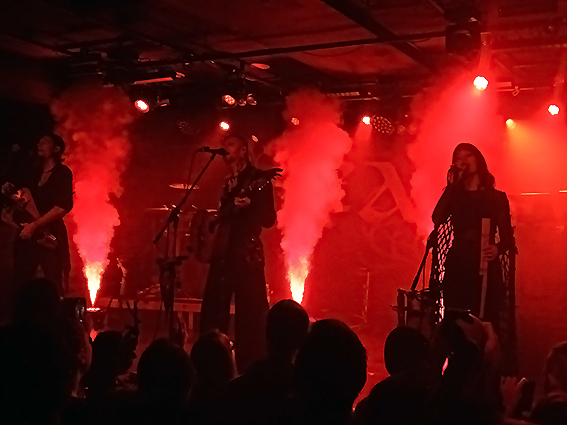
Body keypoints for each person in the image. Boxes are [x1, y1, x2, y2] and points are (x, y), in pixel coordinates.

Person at [199, 134, 277, 372]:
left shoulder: (259, 179)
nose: (224, 148)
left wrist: (251, 206)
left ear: (243, 150)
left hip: (246, 253)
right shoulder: (227, 182)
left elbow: (269, 219)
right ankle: (212, 363)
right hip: (223, 254)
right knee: (214, 308)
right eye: (223, 145)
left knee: (251, 311)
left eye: (230, 144)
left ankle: (252, 366)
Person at [432, 143, 515, 330]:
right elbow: (437, 218)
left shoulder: (496, 198)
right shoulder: (455, 196)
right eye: (458, 158)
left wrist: (497, 248)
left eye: (468, 155)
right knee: (457, 318)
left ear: (478, 160)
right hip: (459, 263)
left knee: (486, 317)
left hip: (486, 263)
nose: (463, 161)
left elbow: (508, 238)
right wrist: (452, 186)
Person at [1, 134, 73, 295]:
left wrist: (35, 225)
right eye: (39, 141)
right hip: (27, 234)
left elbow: (63, 206)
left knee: (53, 281)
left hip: (51, 234)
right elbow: (22, 198)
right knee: (20, 281)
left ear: (56, 149)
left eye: (45, 142)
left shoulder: (62, 173)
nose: (39, 144)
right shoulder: (33, 173)